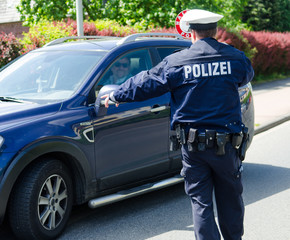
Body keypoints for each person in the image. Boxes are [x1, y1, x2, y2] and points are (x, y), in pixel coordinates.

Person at [103, 9, 254, 240]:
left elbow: (145, 83)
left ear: (191, 34)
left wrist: (116, 96)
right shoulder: (235, 58)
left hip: (194, 149)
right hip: (227, 147)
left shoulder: (176, 62)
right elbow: (246, 76)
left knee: (201, 203)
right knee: (230, 200)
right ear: (215, 31)